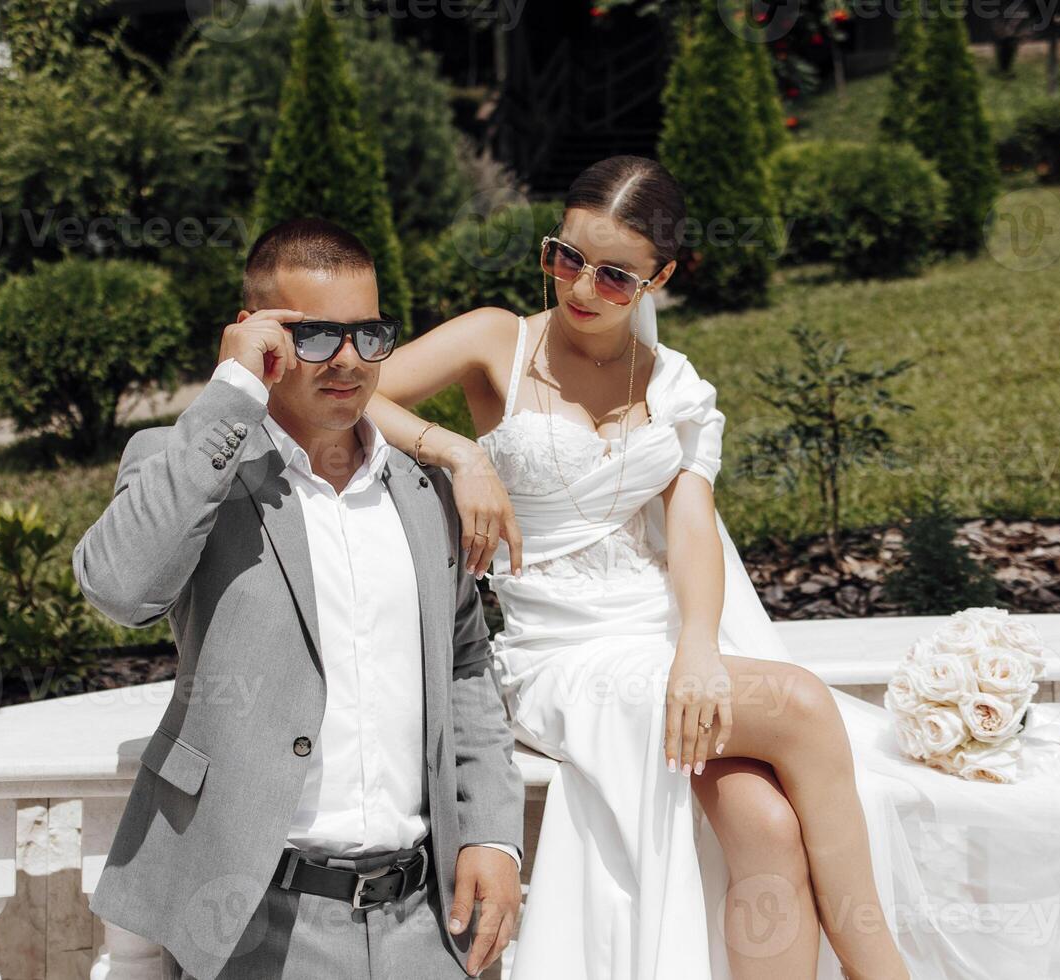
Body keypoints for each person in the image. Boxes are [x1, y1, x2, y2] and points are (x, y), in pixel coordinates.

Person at [363, 156, 911, 979]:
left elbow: (692, 531)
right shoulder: (497, 342)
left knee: (763, 822)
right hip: (561, 652)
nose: (581, 289)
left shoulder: (675, 386)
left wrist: (696, 647)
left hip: (661, 636)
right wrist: (454, 452)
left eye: (615, 277)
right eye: (565, 258)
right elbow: (348, 390)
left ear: (661, 278)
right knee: (800, 704)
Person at [72, 216, 525, 980]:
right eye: (314, 336)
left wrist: (491, 830)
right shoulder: (190, 466)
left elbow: (465, 662)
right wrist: (231, 391)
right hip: (251, 921)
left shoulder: (424, 493)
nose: (348, 362)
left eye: (368, 335)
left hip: (428, 918)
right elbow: (118, 588)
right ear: (259, 335)